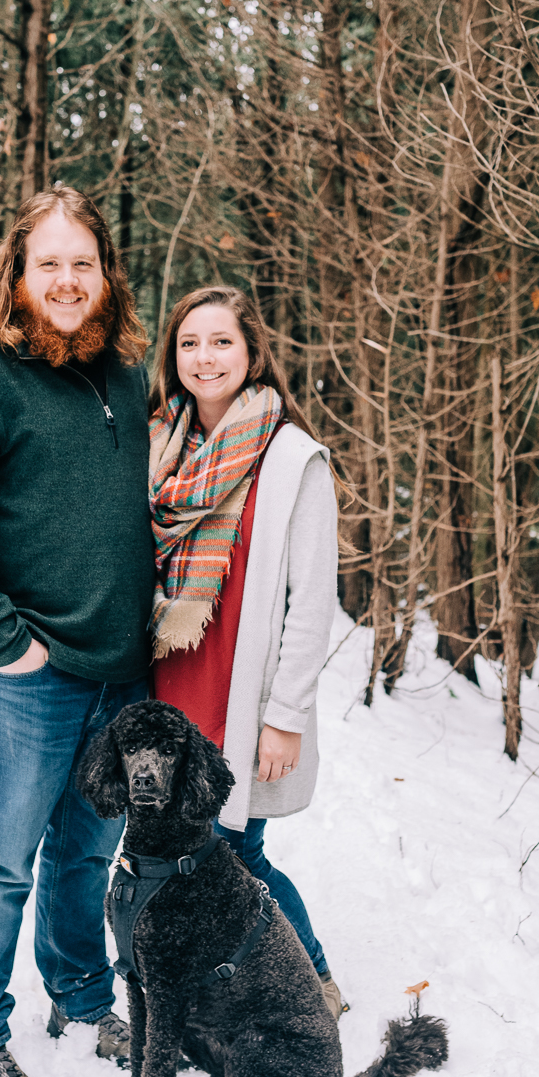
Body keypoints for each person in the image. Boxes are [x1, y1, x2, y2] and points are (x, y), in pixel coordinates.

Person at [0, 187, 154, 1077]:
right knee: (3, 854)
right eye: (46, 262)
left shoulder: (126, 378)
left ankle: (83, 1000)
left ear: (104, 276)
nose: (65, 279)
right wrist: (1, 640)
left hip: (118, 668)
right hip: (26, 669)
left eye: (81, 263)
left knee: (88, 850)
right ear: (16, 274)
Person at [148, 286, 346, 1017]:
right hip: (168, 688)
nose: (205, 357)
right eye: (190, 343)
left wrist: (286, 715)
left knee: (236, 855)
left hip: (241, 696)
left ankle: (313, 981)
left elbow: (312, 601)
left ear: (252, 352)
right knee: (182, 857)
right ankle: (211, 986)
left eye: (221, 341)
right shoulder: (161, 446)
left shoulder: (294, 458)